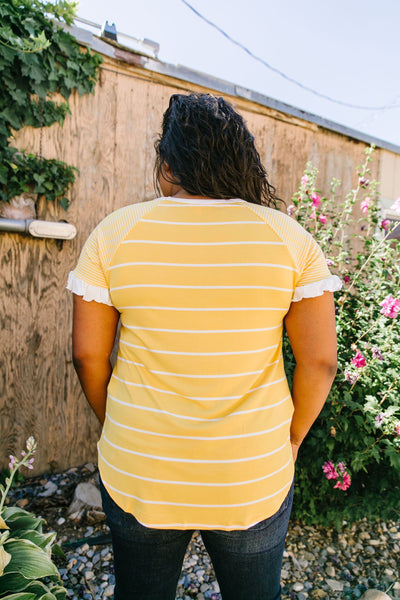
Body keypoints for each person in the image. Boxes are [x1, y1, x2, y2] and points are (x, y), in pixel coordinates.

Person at [67, 93, 341, 600]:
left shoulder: (115, 234)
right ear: (239, 161)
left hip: (140, 466)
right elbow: (321, 360)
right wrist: (292, 438)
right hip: (251, 471)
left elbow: (87, 354)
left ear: (167, 164)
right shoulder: (288, 239)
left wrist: (118, 423)